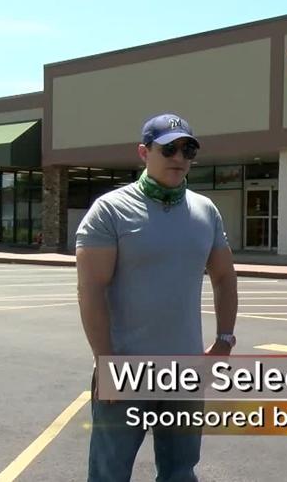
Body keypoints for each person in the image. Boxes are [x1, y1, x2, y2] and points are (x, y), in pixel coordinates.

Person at [76, 113, 239, 482]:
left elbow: (225, 276)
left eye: (188, 149)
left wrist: (224, 340)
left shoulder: (205, 211)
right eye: (169, 148)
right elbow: (91, 291)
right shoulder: (111, 210)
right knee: (110, 474)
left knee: (181, 472)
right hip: (126, 369)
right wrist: (104, 361)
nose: (179, 157)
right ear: (143, 152)